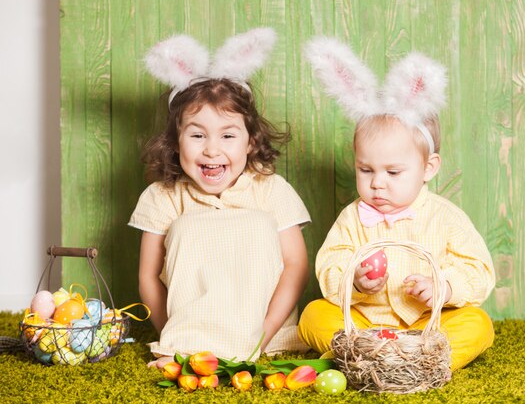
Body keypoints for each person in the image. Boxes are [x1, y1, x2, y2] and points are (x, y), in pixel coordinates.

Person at [298, 37, 496, 371]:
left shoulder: (446, 217)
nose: (377, 182)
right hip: (365, 325)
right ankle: (366, 353)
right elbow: (329, 266)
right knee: (312, 316)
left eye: (393, 172)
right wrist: (356, 282)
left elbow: (480, 270)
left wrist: (445, 287)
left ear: (428, 168)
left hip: (427, 327)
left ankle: (425, 360)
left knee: (478, 324)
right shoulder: (353, 218)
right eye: (365, 169)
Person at [129, 29, 310, 366]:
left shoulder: (271, 189)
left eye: (228, 135)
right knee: (188, 226)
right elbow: (148, 276)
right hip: (189, 340)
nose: (212, 149)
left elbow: (296, 265)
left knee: (255, 223)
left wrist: (265, 332)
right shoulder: (162, 197)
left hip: (265, 337)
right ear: (176, 141)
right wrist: (175, 337)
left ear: (250, 141)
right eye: (197, 135)